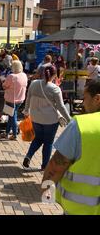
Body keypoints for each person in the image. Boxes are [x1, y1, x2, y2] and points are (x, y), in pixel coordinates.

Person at [42, 80, 100, 215]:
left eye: (85, 98)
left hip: (81, 209)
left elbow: (55, 167)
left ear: (97, 99)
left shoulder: (82, 126)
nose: (83, 103)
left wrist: (46, 194)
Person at [22, 65, 71, 170]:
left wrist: (26, 111)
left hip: (35, 118)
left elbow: (28, 98)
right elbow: (61, 107)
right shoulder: (55, 89)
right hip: (50, 120)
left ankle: (28, 156)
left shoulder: (34, 84)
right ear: (54, 75)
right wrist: (69, 119)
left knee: (38, 138)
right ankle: (44, 166)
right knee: (48, 142)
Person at [1, 61, 28, 140]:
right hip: (20, 99)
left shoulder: (11, 76)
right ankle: (6, 133)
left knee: (13, 116)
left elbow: (4, 86)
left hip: (11, 99)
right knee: (11, 116)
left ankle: (15, 134)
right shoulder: (24, 75)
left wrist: (3, 80)